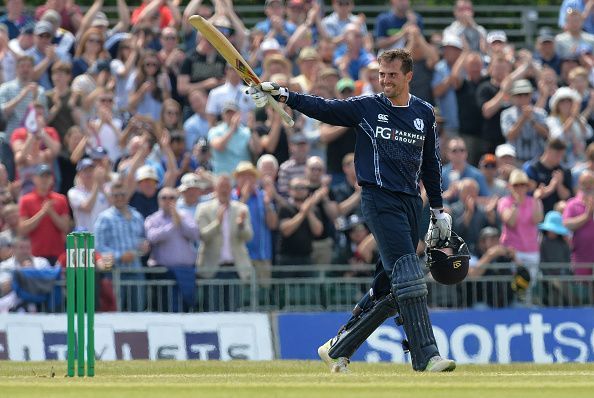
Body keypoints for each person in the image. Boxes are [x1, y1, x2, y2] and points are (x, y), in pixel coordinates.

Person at [250, 48, 455, 372]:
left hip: (412, 204)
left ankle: (339, 347)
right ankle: (426, 356)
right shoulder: (368, 106)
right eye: (381, 74)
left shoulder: (425, 113)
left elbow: (431, 163)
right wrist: (287, 95)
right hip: (378, 199)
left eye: (392, 74)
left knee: (390, 289)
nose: (385, 80)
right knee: (409, 277)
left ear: (408, 76)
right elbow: (325, 108)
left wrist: (439, 210)